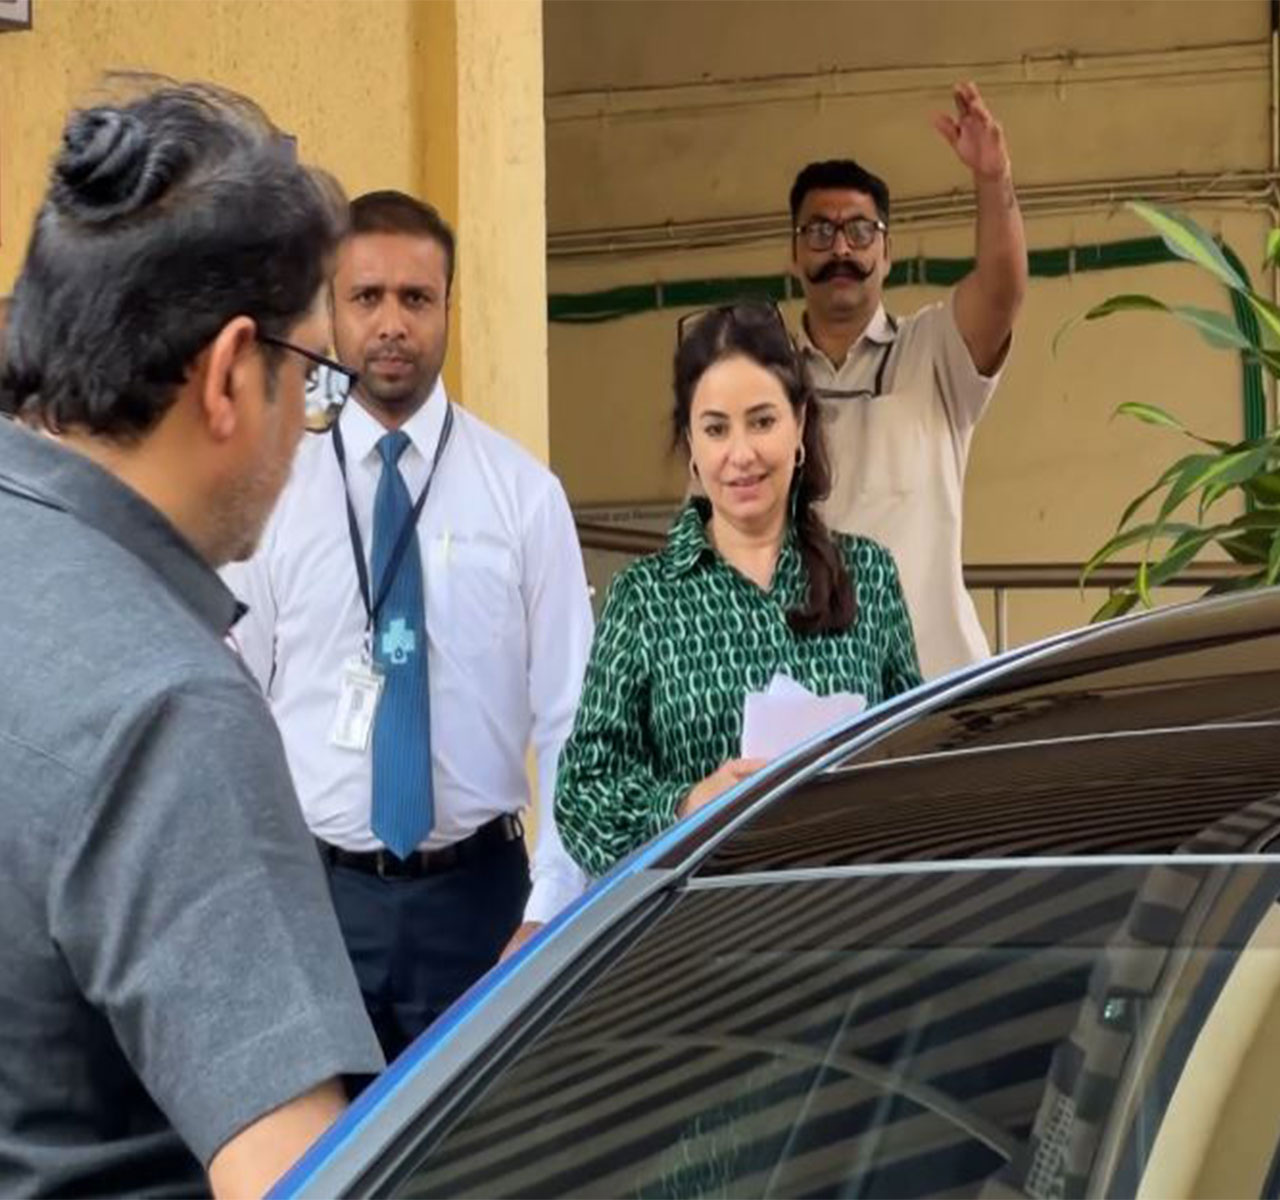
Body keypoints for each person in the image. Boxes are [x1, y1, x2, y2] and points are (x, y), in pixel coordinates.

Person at [0, 79, 383, 1197]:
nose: (309, 428)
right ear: (228, 377)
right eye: (310, 378)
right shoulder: (172, 716)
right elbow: (298, 1180)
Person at [225, 190, 594, 1062]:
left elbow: (576, 717)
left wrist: (550, 905)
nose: (392, 323)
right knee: (324, 1167)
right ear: (332, 310)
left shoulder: (524, 496)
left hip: (484, 904)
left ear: (447, 310)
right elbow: (232, 698)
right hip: (318, 903)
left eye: (416, 299)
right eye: (367, 298)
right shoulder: (274, 494)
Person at [555, 302, 922, 878]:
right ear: (691, 445)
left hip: (844, 909)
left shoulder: (868, 576)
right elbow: (581, 796)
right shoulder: (645, 599)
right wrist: (683, 806)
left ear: (799, 424)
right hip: (696, 928)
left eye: (762, 421)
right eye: (716, 429)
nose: (741, 454)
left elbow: (913, 754)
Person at [790, 81, 1027, 680]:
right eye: (820, 231)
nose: (841, 247)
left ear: (887, 253)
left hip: (933, 689)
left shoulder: (934, 350)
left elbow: (1002, 295)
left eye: (861, 231)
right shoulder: (761, 379)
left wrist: (994, 180)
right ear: (794, 256)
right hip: (803, 692)